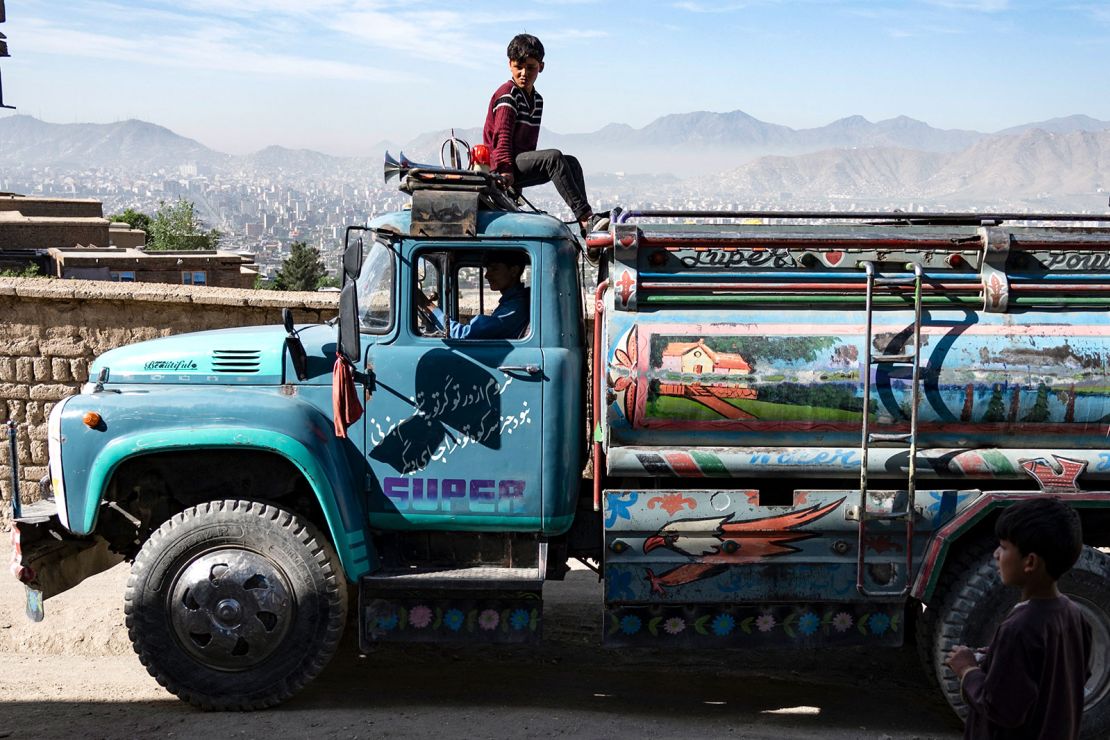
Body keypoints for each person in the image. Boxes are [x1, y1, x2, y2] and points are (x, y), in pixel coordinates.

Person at [945, 497, 1092, 740]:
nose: (995, 554)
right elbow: (1066, 675)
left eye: (1003, 547)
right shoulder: (1073, 614)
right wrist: (994, 659)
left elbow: (1001, 709)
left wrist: (967, 669)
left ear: (1030, 562)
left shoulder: (1019, 627)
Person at [484, 33, 608, 238]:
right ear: (510, 65)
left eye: (530, 67)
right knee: (554, 158)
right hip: (501, 167)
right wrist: (505, 171)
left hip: (517, 164)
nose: (524, 73)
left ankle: (587, 228)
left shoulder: (537, 100)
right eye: (518, 67)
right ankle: (586, 217)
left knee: (572, 163)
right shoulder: (508, 94)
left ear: (541, 67)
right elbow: (501, 136)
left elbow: (528, 146)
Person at [418, 252, 529, 340]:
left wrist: (427, 305)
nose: (486, 275)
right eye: (487, 269)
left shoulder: (514, 308)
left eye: (494, 269)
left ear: (514, 271)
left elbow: (464, 335)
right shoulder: (513, 303)